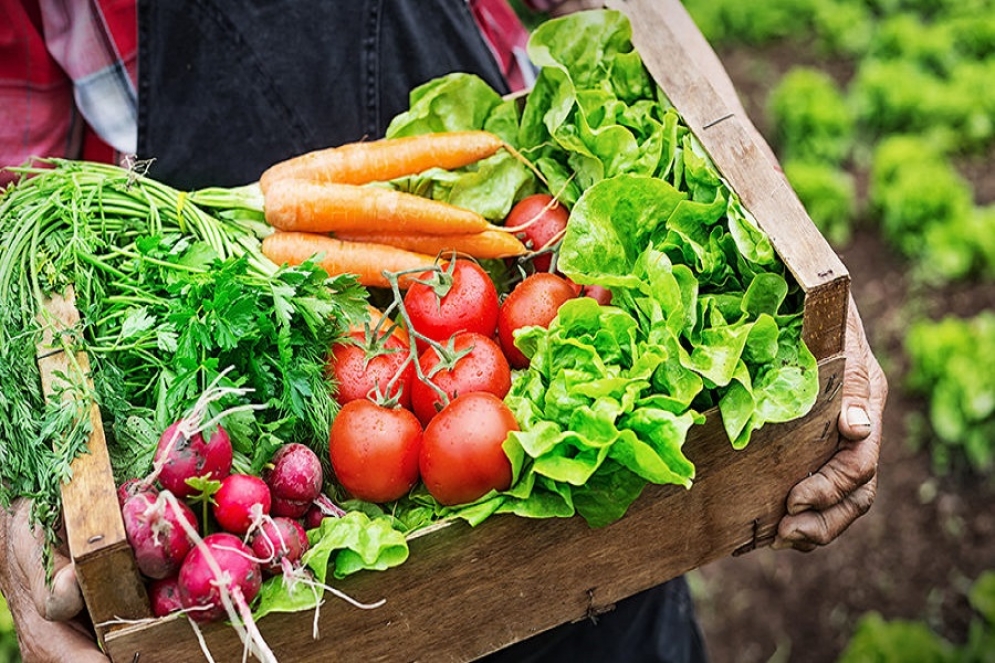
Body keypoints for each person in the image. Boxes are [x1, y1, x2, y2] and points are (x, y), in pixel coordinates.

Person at [0, 1, 888, 661]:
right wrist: (19, 518)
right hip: (216, 388)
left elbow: (625, 14)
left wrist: (792, 248)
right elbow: (15, 209)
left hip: (521, 318)